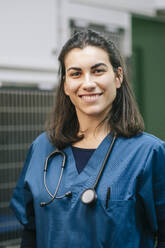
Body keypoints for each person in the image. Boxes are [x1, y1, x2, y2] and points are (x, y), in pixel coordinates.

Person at [10, 29, 165, 248]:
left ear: (118, 76)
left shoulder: (149, 153)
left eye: (98, 71)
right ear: (65, 85)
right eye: (76, 74)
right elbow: (31, 232)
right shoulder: (42, 148)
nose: (88, 83)